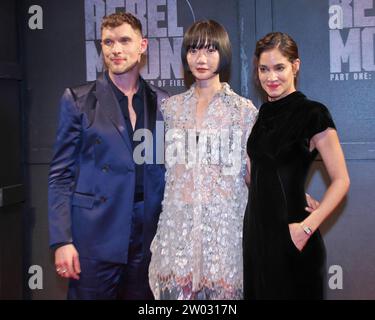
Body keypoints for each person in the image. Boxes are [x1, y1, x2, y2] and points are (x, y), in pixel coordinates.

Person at [48, 12, 168, 299]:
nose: (116, 50)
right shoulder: (78, 99)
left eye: (125, 40)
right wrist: (62, 240)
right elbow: (60, 176)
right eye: (108, 42)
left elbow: (163, 170)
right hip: (94, 236)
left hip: (147, 238)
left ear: (143, 45)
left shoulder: (162, 103)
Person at [148, 20, 258, 300]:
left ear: (223, 54)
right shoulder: (170, 109)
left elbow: (254, 172)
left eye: (210, 50)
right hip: (179, 231)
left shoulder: (242, 111)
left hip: (223, 233)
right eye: (194, 50)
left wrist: (291, 195)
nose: (201, 59)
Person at [243, 32, 350, 299]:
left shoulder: (313, 113)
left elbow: (341, 180)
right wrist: (286, 189)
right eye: (263, 69)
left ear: (295, 66)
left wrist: (306, 228)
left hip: (293, 237)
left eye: (279, 67)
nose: (271, 77)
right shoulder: (261, 115)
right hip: (257, 236)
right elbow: (258, 175)